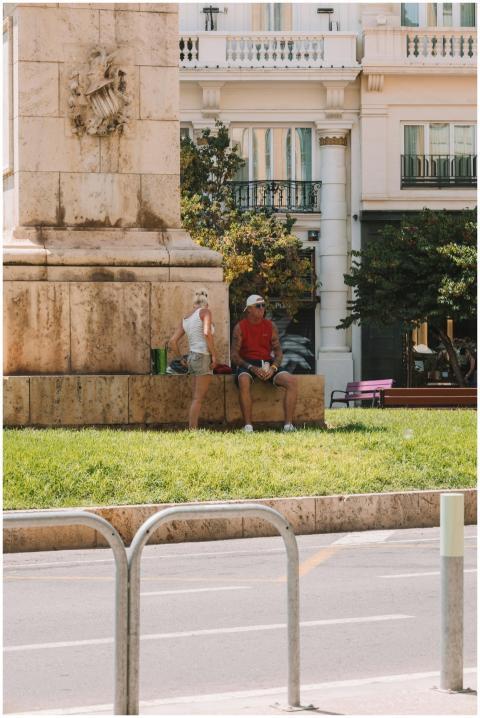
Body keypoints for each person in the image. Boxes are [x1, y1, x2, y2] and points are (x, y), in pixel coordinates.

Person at [231, 294, 298, 432]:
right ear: (249, 309)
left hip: (267, 363)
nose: (262, 308)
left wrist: (273, 368)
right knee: (243, 380)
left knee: (291, 381)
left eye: (263, 305)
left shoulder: (270, 326)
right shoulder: (240, 327)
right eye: (258, 306)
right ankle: (248, 426)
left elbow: (279, 352)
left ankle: (288, 426)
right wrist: (251, 367)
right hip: (247, 364)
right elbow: (234, 355)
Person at [168, 288, 217, 429]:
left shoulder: (186, 318)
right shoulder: (205, 312)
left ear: (193, 303)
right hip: (203, 357)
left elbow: (172, 341)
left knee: (196, 397)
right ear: (207, 302)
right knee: (198, 398)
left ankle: (192, 429)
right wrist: (214, 355)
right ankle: (192, 430)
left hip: (192, 358)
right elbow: (207, 333)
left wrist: (180, 358)